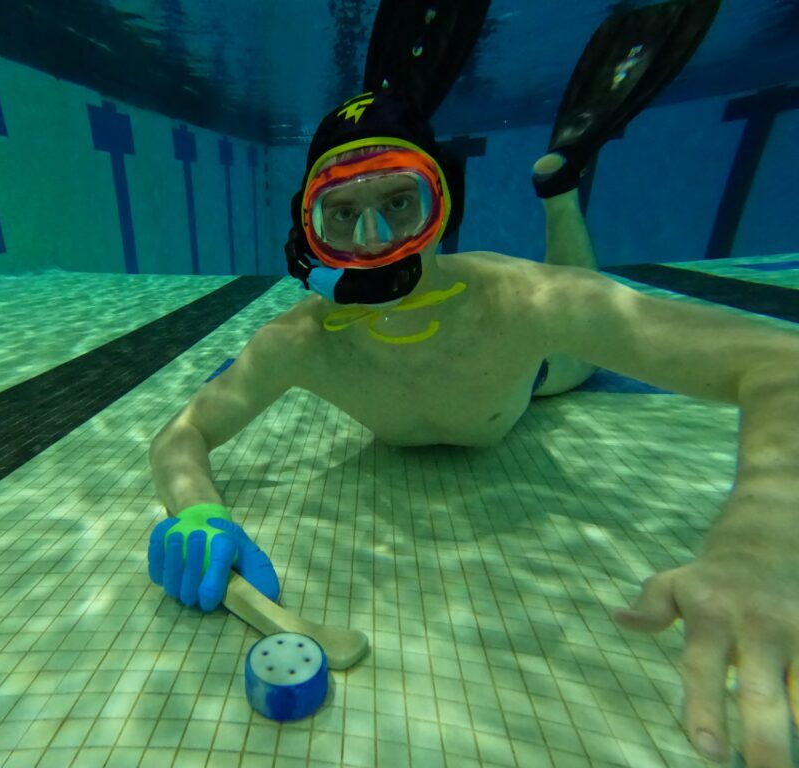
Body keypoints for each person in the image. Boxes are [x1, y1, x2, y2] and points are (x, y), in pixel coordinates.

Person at [150, 2, 799, 766]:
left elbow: (781, 361)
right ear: (309, 236)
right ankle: (553, 185)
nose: (373, 242)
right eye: (342, 217)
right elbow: (182, 433)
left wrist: (758, 546)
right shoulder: (302, 342)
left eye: (400, 204)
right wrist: (197, 512)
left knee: (576, 350)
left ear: (441, 204)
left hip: (537, 384)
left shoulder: (520, 303)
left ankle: (560, 188)